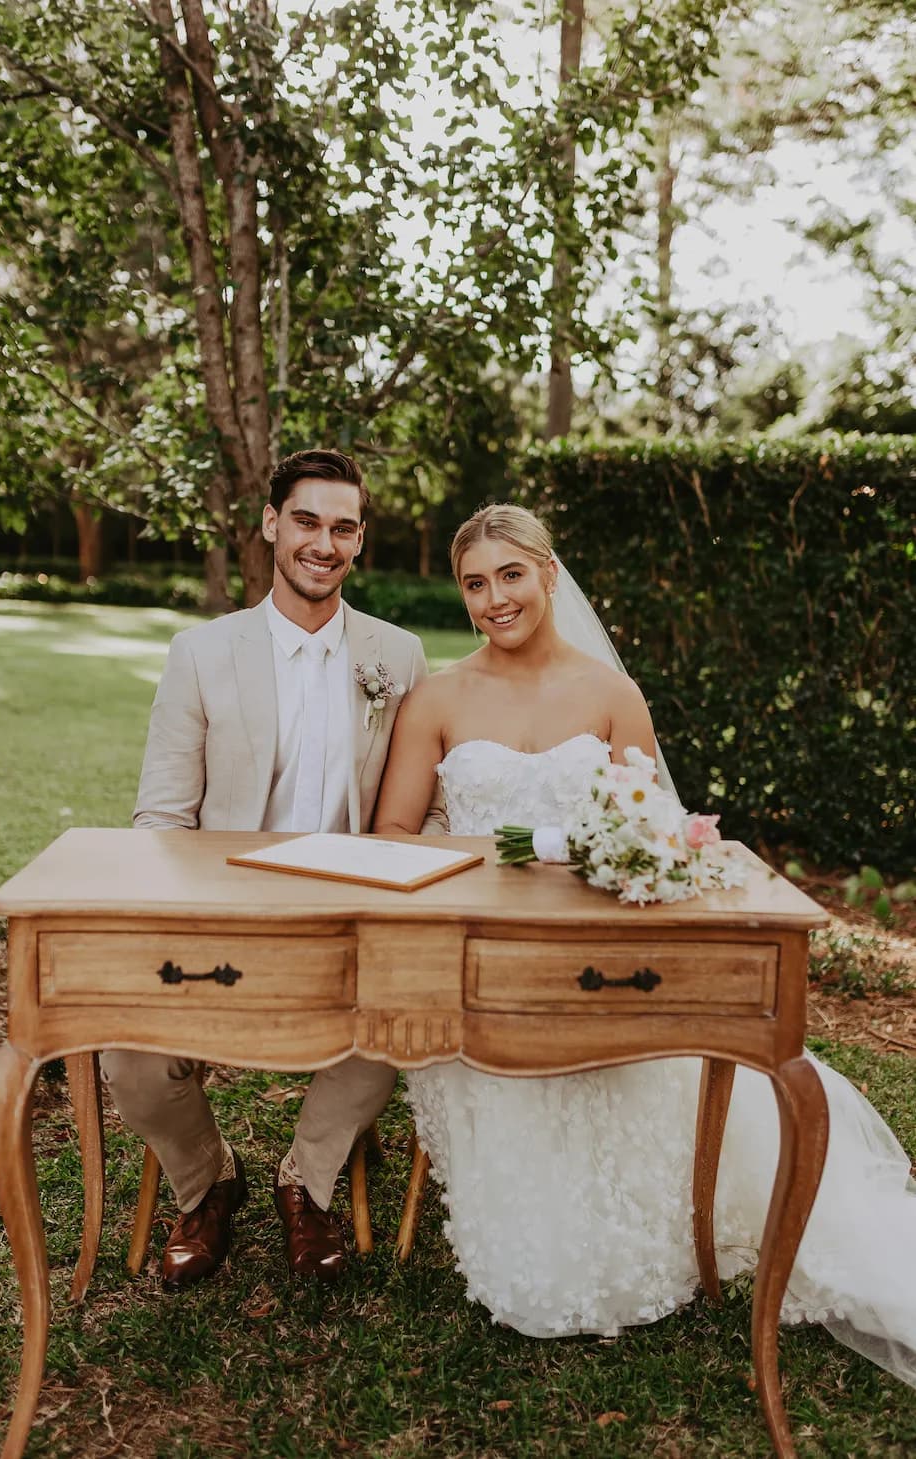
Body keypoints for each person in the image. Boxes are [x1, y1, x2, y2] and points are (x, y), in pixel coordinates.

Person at [373, 502, 916, 1389]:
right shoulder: (438, 696)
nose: (494, 598)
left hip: (604, 958)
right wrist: (491, 866)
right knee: (527, 1257)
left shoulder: (610, 695)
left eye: (511, 575)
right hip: (484, 964)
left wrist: (617, 858)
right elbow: (393, 831)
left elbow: (656, 835)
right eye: (475, 583)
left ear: (550, 575)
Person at [101, 448, 440, 1291]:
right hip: (223, 918)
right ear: (270, 525)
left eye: (343, 527)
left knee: (397, 1018)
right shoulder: (201, 653)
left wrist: (393, 884)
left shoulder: (397, 658)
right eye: (306, 522)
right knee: (130, 1062)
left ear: (360, 540)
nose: (323, 543)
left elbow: (425, 808)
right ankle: (208, 1179)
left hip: (350, 921)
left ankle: (307, 1180)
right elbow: (162, 816)